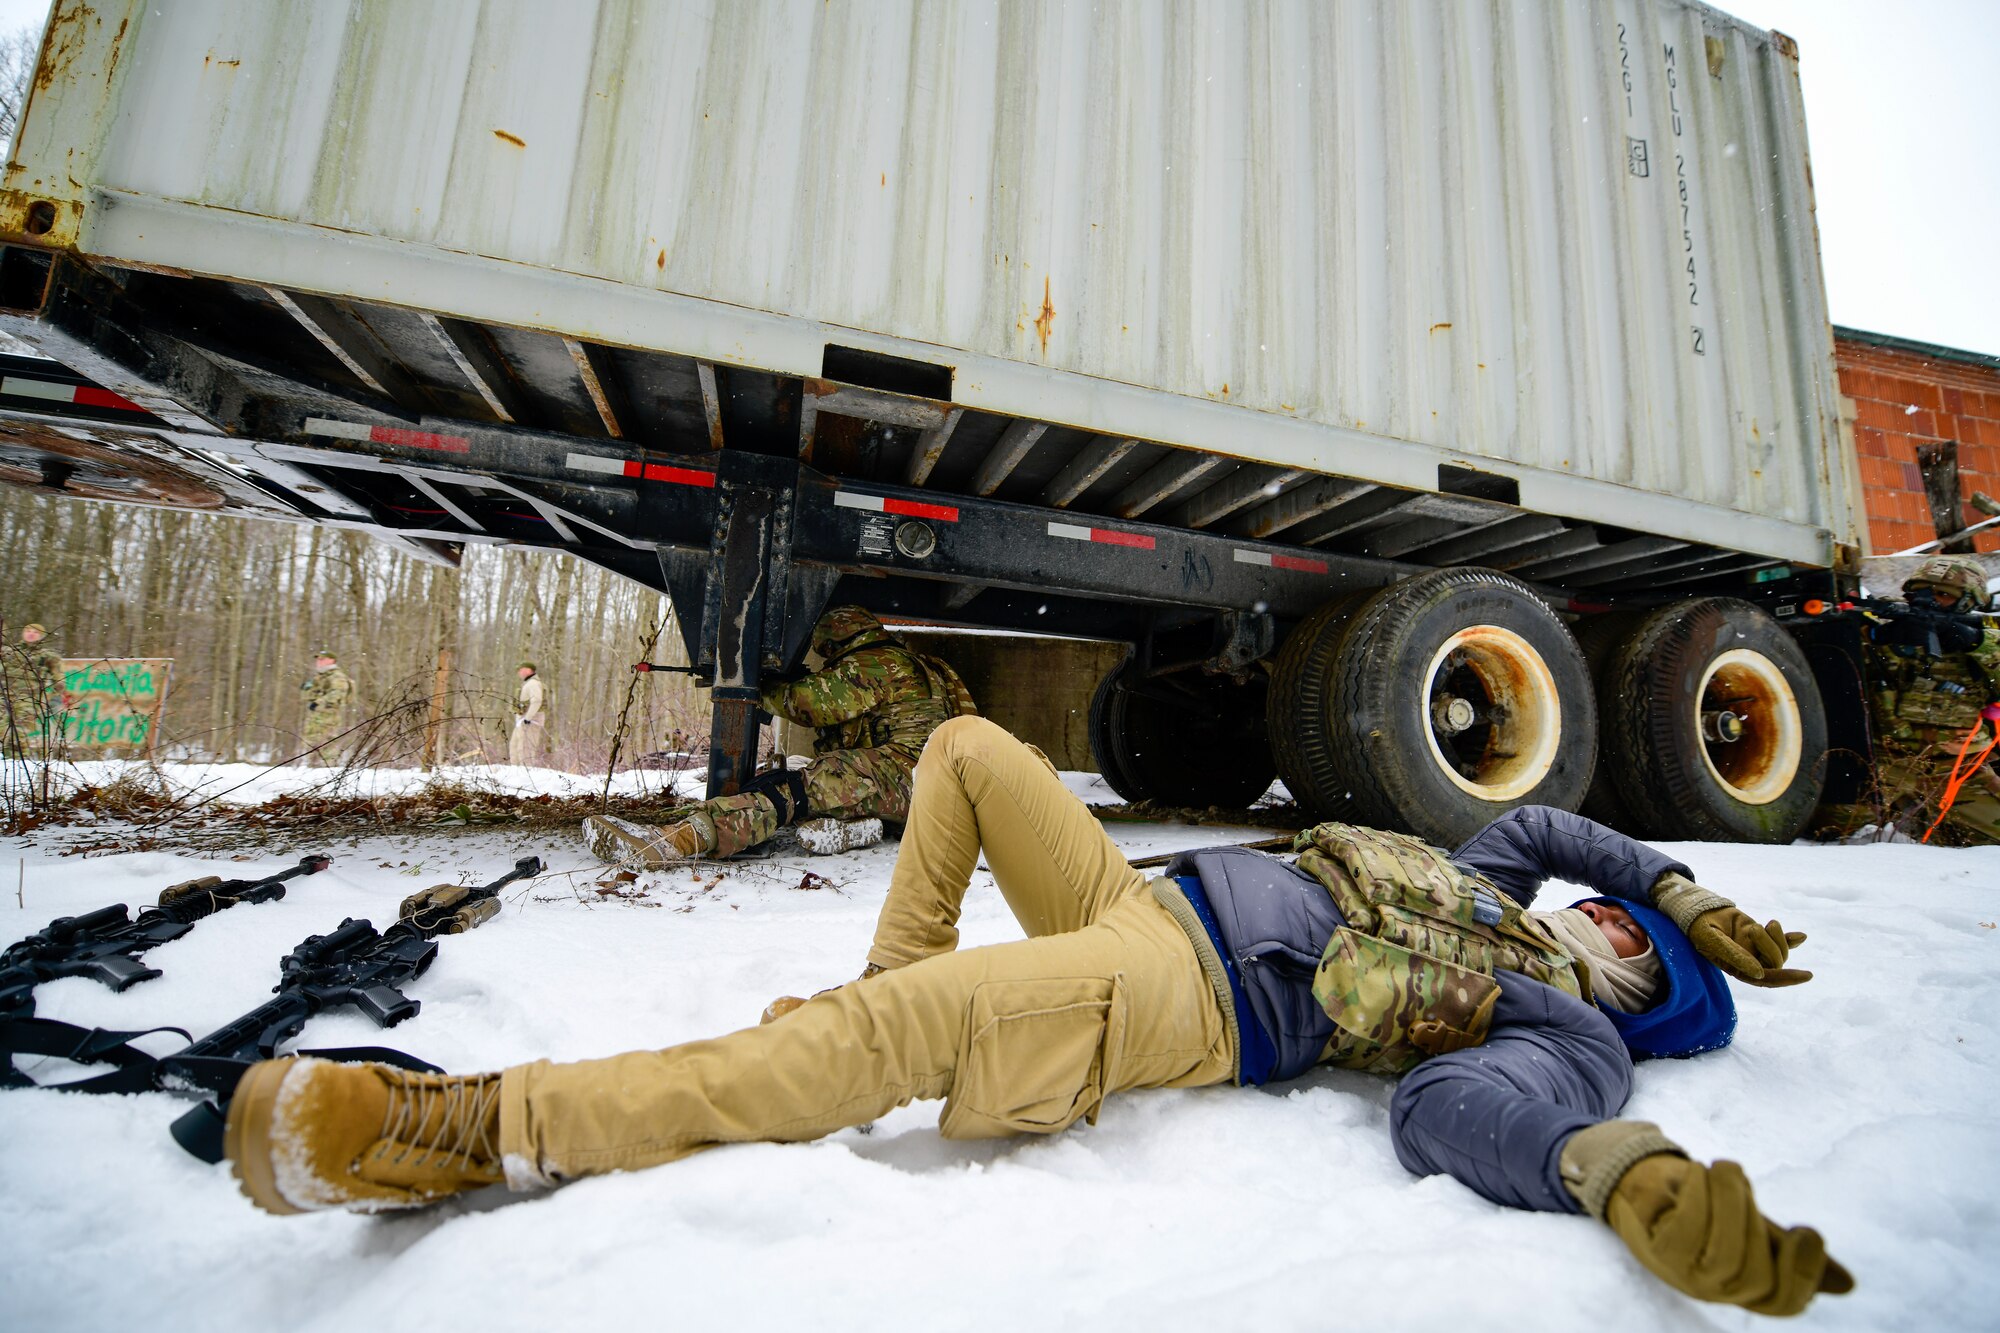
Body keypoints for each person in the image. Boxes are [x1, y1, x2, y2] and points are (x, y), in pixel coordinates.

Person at [223, 716, 1847, 1317]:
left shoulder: (1564, 1035)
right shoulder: (1503, 874)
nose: (1599, 927)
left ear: (1636, 1003)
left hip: (1177, 991)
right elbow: (1561, 827)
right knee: (970, 747)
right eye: (1617, 918)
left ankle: (465, 1129)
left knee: (862, 1048)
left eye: (1635, 950)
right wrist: (1688, 886)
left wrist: (1608, 1167)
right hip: (1135, 901)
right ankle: (897, 989)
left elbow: (1450, 1115)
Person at [582, 605, 976, 863]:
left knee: (796, 789)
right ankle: (867, 827)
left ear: (837, 641)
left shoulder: (878, 662)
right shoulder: (924, 665)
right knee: (797, 780)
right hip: (929, 790)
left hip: (906, 777)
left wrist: (763, 689)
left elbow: (812, 704)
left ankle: (677, 841)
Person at [1822, 554, 2000, 845]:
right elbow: (1837, 679)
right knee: (1826, 830)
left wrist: (1973, 642)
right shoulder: (1885, 634)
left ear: (1970, 602)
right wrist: (1878, 637)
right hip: (1882, 766)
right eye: (1918, 594)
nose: (1927, 602)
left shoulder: (1983, 638)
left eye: (1943, 595)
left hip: (1957, 769)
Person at [1, 622, 69, 758]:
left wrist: (55, 697)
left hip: (29, 700)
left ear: (42, 637)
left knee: (19, 736)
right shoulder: (8, 652)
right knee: (2, 729)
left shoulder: (47, 656)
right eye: (28, 631)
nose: (31, 634)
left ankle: (17, 763)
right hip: (4, 697)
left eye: (36, 632)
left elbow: (59, 679)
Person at [299, 650, 354, 765]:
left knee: (328, 741)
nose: (318, 662)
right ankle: (311, 767)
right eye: (318, 659)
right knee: (312, 739)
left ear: (331, 661)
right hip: (317, 714)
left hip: (329, 714)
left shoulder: (337, 676)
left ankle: (328, 769)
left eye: (322, 659)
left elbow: (338, 693)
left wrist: (319, 702)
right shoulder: (320, 677)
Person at [508, 661, 545, 766]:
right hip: (523, 722)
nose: (519, 672)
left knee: (525, 750)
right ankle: (515, 774)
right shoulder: (528, 683)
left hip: (530, 722)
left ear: (528, 670)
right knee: (515, 748)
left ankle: (526, 776)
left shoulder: (533, 684)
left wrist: (528, 718)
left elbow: (537, 700)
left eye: (521, 669)